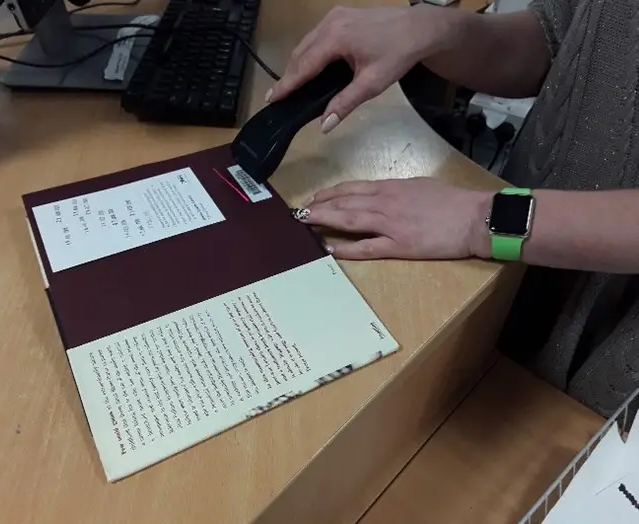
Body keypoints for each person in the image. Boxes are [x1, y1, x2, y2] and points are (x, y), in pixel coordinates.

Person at [266, 0, 639, 417]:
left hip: (605, 385)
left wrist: (478, 220)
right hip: (519, 270)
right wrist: (436, 30)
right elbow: (558, 43)